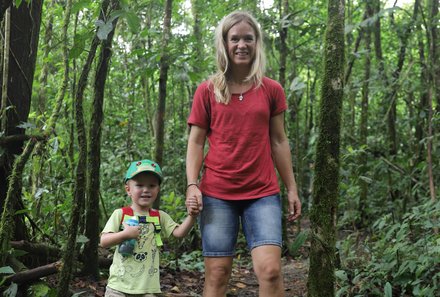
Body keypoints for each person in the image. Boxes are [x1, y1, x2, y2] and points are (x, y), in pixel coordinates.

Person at [185, 11, 302, 297]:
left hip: (262, 193)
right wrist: (192, 184)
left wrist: (291, 188)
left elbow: (278, 141)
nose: (241, 45)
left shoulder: (271, 89)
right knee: (217, 274)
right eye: (234, 38)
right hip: (217, 194)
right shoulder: (207, 90)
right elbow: (196, 142)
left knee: (271, 272)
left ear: (257, 43)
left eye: (248, 38)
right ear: (224, 44)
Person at [101, 159, 199, 297]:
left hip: (148, 288)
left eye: (152, 186)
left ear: (157, 190)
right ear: (128, 189)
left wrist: (192, 216)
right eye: (139, 185)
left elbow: (179, 233)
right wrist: (125, 234)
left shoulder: (160, 216)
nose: (146, 190)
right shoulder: (121, 214)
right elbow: (104, 241)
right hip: (119, 287)